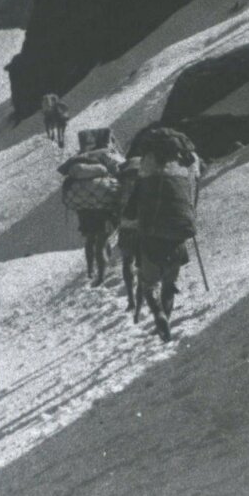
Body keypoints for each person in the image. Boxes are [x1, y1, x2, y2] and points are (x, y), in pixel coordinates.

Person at [117, 123, 204, 340]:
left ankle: (158, 315)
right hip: (179, 235)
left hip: (152, 237)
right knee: (169, 284)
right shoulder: (186, 165)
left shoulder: (147, 171)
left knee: (148, 284)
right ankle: (167, 317)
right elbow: (193, 197)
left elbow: (130, 211)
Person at [57, 127, 123, 285]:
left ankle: (90, 270)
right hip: (103, 206)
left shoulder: (78, 158)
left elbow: (65, 174)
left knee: (90, 238)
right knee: (102, 240)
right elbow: (119, 171)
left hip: (84, 208)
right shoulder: (106, 155)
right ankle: (101, 274)